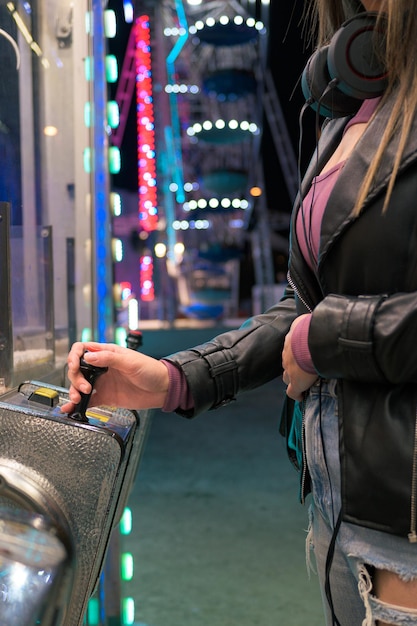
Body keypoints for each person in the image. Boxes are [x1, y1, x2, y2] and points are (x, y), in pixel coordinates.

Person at [63, 0, 417, 623]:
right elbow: (304, 305)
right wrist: (176, 378)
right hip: (343, 507)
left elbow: (317, 325)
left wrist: (323, 339)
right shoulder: (354, 107)